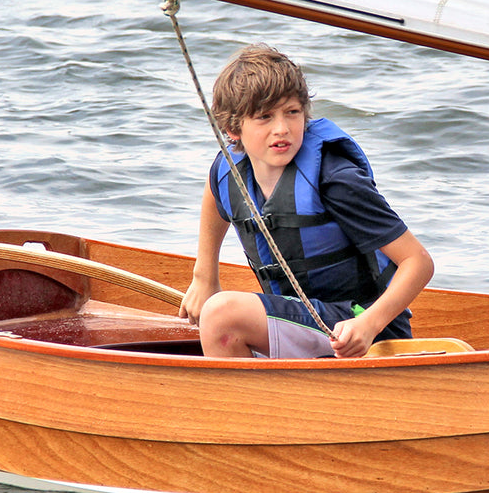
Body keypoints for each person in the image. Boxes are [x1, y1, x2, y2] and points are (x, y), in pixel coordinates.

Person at [179, 44, 433, 358]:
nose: (282, 129)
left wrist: (368, 324)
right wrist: (205, 276)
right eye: (264, 117)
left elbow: (418, 262)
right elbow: (214, 191)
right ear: (233, 129)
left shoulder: (335, 179)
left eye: (292, 112)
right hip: (302, 320)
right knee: (215, 312)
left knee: (221, 314)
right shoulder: (229, 170)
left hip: (361, 329)